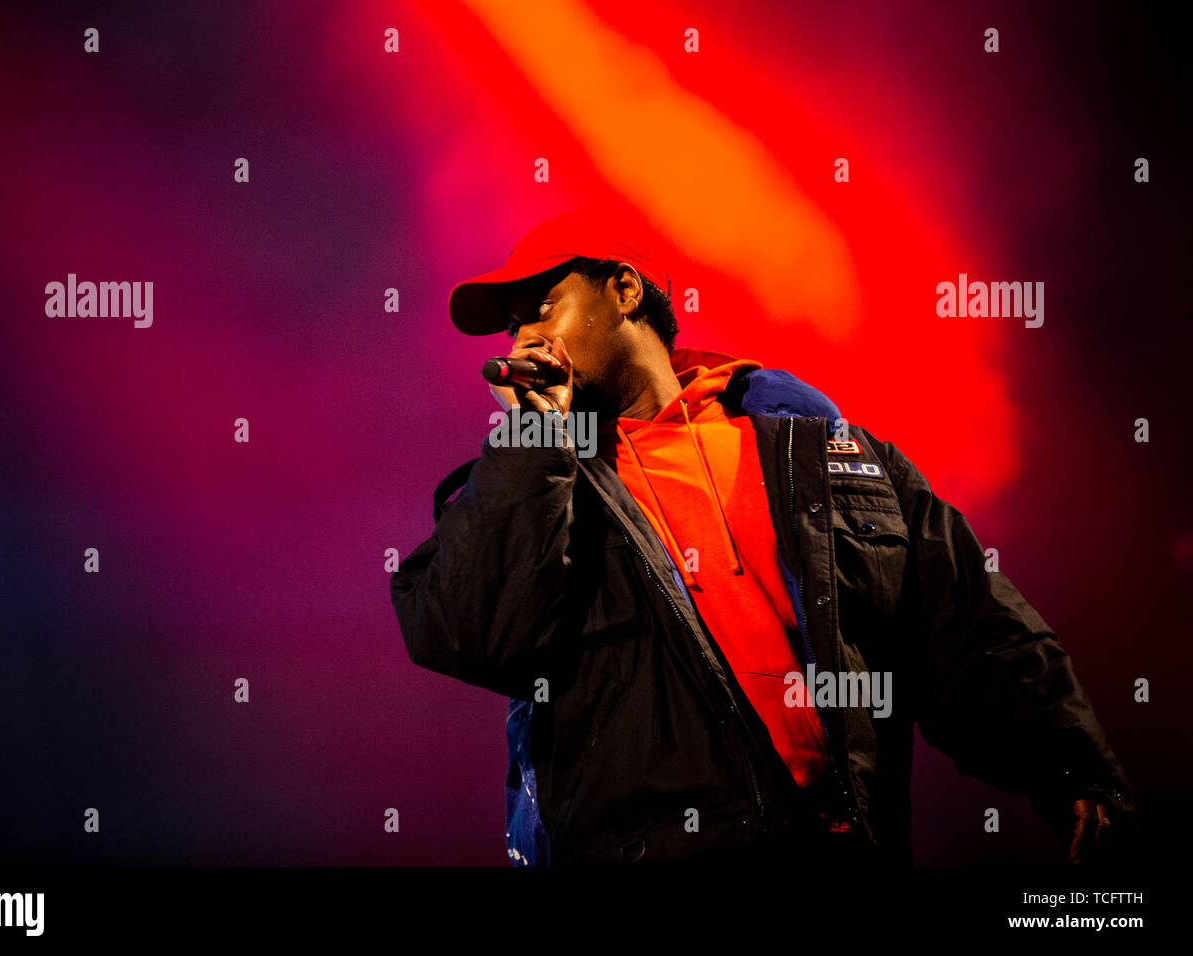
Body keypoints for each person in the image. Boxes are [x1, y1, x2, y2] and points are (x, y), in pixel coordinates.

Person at [389, 207, 1140, 866]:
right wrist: (533, 434)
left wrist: (1069, 765)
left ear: (623, 290)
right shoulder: (527, 485)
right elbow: (469, 633)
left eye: (540, 308)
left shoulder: (817, 451)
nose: (524, 338)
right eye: (512, 324)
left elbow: (966, 620)